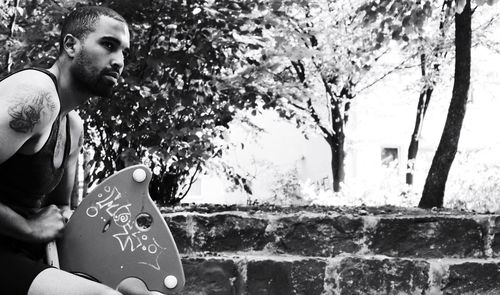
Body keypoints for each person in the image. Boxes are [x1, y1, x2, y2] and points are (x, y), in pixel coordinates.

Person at [0, 5, 153, 295]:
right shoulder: (36, 94)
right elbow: (36, 224)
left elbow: (61, 212)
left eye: (125, 53)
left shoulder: (73, 126)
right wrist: (26, 228)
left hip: (23, 257)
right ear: (71, 45)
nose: (119, 61)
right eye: (108, 45)